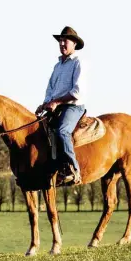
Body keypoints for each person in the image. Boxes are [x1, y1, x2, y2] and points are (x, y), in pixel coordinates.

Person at [35, 26, 85, 185]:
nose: (62, 43)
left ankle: (74, 170)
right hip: (55, 107)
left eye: (66, 41)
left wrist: (56, 102)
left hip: (73, 106)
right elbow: (50, 89)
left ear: (74, 44)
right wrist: (45, 104)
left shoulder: (78, 63)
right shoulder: (57, 67)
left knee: (62, 130)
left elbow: (76, 92)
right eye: (60, 41)